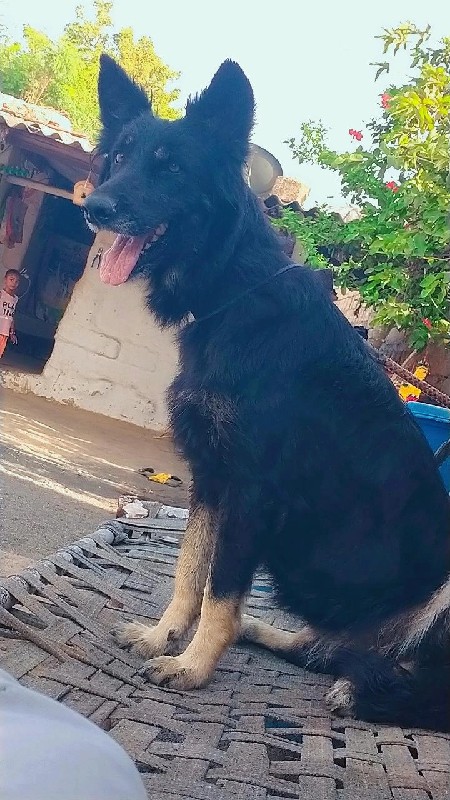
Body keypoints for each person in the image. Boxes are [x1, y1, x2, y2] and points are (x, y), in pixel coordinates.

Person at [0, 268, 20, 358]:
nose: (14, 283)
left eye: (17, 281)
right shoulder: (1, 294)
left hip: (4, 332)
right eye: (11, 279)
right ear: (5, 279)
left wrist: (12, 332)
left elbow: (11, 316)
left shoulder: (15, 299)